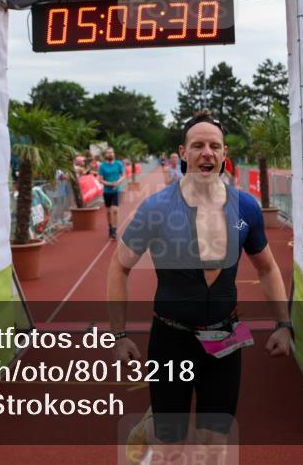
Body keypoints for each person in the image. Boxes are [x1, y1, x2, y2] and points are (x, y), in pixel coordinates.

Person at [108, 110, 291, 459]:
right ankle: (149, 427)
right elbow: (118, 267)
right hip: (171, 339)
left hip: (226, 339)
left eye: (214, 146)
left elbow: (267, 269)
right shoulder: (156, 208)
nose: (207, 152)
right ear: (183, 152)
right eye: (198, 145)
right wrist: (118, 335)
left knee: (213, 440)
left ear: (224, 155)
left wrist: (284, 324)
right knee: (169, 441)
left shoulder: (246, 207)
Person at [98, 147, 125, 242]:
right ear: (106, 155)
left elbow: (123, 175)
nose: (110, 154)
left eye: (111, 153)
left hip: (117, 190)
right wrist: (110, 184)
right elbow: (100, 179)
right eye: (108, 153)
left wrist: (117, 183)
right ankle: (110, 227)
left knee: (115, 210)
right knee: (108, 212)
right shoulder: (102, 166)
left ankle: (114, 229)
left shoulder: (118, 164)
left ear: (114, 154)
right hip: (107, 191)